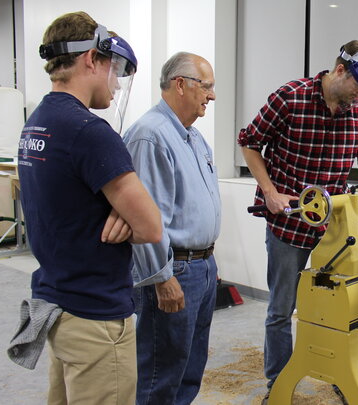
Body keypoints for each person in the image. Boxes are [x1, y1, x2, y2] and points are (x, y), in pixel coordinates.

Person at [14, 11, 162, 404]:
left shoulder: (38, 123)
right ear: (91, 60)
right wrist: (126, 214)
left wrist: (116, 211)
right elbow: (151, 228)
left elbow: (66, 205)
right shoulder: (90, 132)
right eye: (113, 69)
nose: (115, 83)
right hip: (95, 317)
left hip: (59, 304)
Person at [238, 40, 358, 403]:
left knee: (343, 309)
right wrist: (270, 191)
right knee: (281, 310)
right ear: (340, 70)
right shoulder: (290, 98)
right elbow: (248, 142)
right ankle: (277, 386)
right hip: (289, 224)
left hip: (336, 233)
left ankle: (344, 373)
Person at [123, 52, 221, 405]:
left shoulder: (191, 137)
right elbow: (145, 219)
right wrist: (161, 279)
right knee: (160, 372)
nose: (212, 95)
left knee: (190, 366)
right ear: (181, 84)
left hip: (201, 266)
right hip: (173, 269)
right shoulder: (151, 136)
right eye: (206, 86)